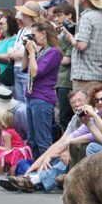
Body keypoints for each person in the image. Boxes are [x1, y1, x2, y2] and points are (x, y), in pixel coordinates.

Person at [2, 85, 102, 193]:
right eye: (73, 102)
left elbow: (96, 136)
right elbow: (64, 140)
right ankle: (30, 178)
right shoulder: (78, 118)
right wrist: (45, 158)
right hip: (82, 154)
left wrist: (69, 143)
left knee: (69, 154)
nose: (100, 102)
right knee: (57, 157)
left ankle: (33, 180)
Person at [22, 21, 62, 160]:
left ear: (43, 34)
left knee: (42, 140)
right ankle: (34, 173)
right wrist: (26, 50)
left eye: (34, 35)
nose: (33, 38)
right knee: (32, 140)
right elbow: (24, 68)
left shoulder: (54, 52)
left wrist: (32, 52)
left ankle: (47, 175)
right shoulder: (40, 51)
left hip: (42, 99)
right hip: (31, 98)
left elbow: (35, 73)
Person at [66, 0, 102, 92]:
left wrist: (71, 39)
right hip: (99, 75)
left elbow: (81, 45)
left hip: (85, 76)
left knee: (83, 107)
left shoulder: (86, 17)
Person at [9, 1, 45, 101]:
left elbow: (36, 50)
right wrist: (13, 52)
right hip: (17, 67)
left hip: (28, 68)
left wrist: (16, 54)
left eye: (24, 13)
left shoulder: (37, 31)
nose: (21, 15)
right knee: (18, 100)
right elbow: (15, 47)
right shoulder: (22, 30)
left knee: (27, 98)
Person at [53, 3, 77, 132]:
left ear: (69, 15)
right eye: (54, 16)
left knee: (65, 116)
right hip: (59, 79)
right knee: (60, 117)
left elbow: (67, 59)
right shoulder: (61, 32)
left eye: (59, 15)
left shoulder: (71, 32)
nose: (56, 19)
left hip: (66, 80)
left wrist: (52, 59)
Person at [0, 11, 19, 87]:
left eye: (1, 24)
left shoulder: (13, 38)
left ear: (10, 24)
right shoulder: (2, 41)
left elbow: (9, 57)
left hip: (5, 80)